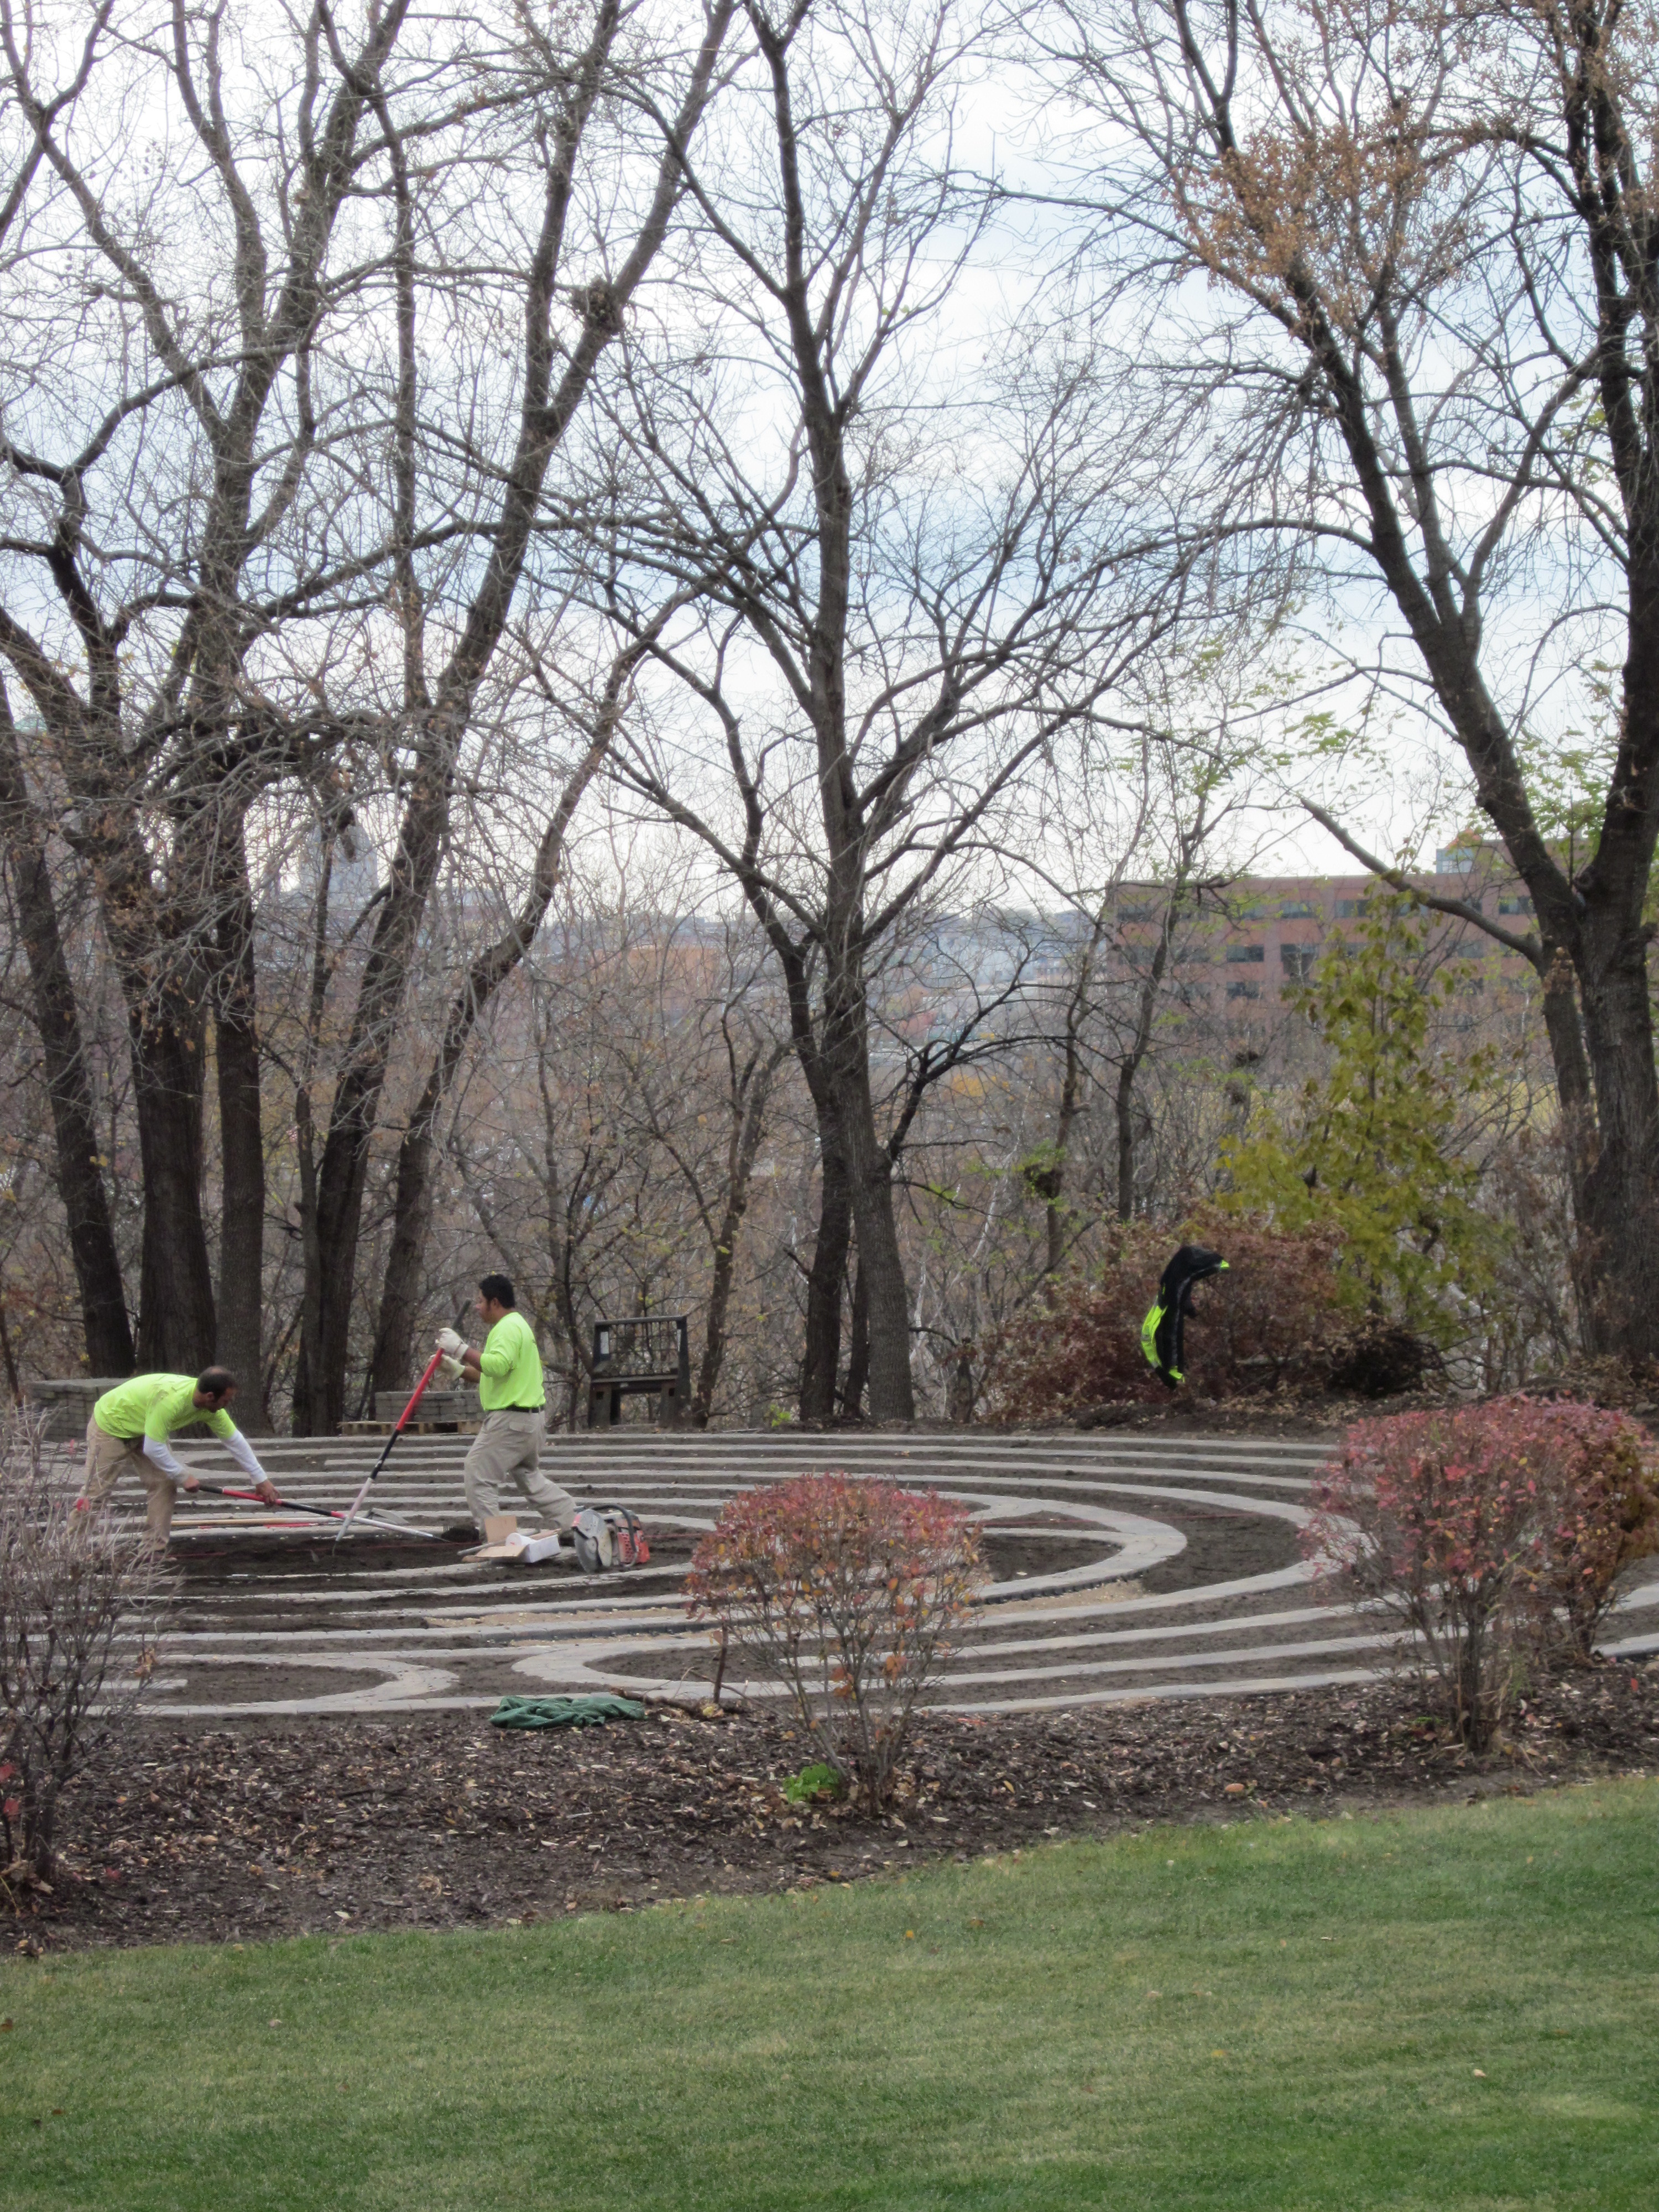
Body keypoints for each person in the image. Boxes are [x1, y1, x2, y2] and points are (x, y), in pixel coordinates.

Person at [437, 1276, 573, 1543]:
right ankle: (573, 1521)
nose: (478, 1307)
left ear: (495, 1302)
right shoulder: (518, 1325)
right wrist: (458, 1370)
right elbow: (494, 1374)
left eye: (481, 1301)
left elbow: (496, 1366)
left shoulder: (507, 1328)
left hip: (511, 1420)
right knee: (530, 1478)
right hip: (530, 1421)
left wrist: (460, 1349)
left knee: (478, 1471)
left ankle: (497, 1540)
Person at [77, 1367, 281, 1543]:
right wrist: (183, 1476)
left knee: (165, 1483)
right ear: (210, 1397)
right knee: (95, 1493)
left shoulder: (212, 1409)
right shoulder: (171, 1400)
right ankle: (73, 1550)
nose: (228, 1405)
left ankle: (153, 1549)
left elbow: (234, 1440)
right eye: (226, 1400)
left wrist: (260, 1479)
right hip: (111, 1425)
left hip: (147, 1427)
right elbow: (153, 1448)